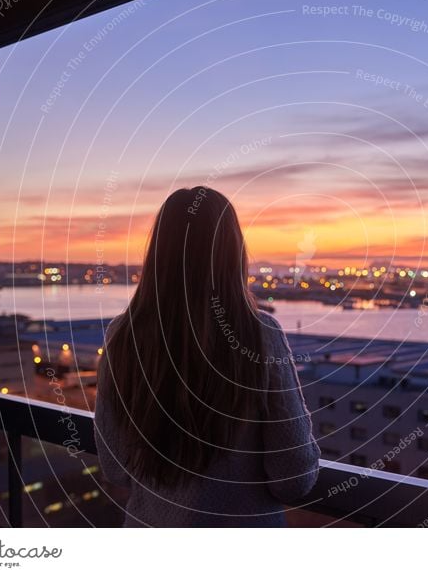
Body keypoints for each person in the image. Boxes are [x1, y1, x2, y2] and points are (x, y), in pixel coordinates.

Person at [94, 186, 320, 527]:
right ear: (233, 252)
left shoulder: (124, 335)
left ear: (158, 252)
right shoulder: (260, 336)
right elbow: (294, 477)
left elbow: (115, 467)